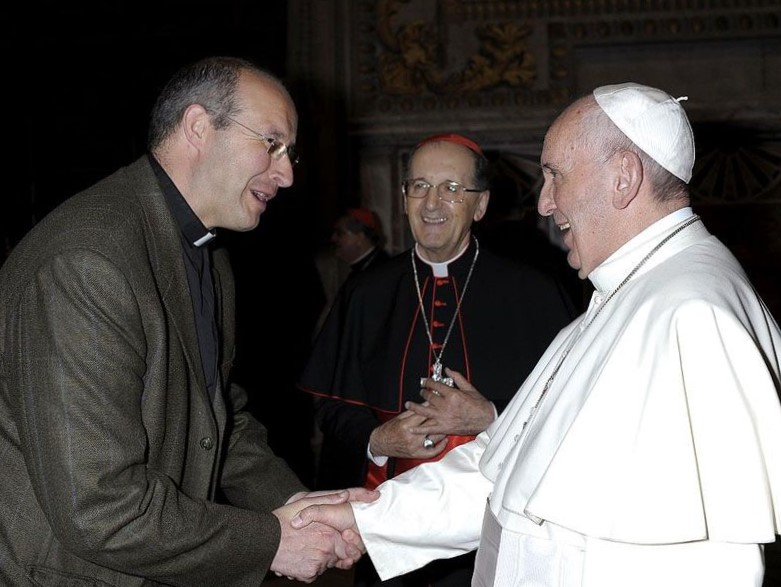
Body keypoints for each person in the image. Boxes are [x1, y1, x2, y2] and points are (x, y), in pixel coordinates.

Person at [291, 83, 781, 586]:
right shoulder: (624, 294)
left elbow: (717, 559)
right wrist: (367, 516)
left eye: (555, 176)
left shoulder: (695, 313)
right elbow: (504, 473)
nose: (544, 204)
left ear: (624, 178)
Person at [0, 56, 375, 587]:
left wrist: (297, 505)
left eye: (291, 153)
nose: (287, 174)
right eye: (271, 144)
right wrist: (273, 542)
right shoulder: (88, 260)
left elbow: (216, 414)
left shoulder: (205, 252)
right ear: (198, 127)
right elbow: (99, 510)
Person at [299, 133, 576, 585]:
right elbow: (331, 406)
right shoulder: (367, 293)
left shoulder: (532, 292)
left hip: (494, 533)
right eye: (419, 186)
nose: (432, 202)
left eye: (451, 188)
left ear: (480, 205)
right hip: (388, 531)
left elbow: (570, 415)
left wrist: (491, 416)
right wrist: (377, 439)